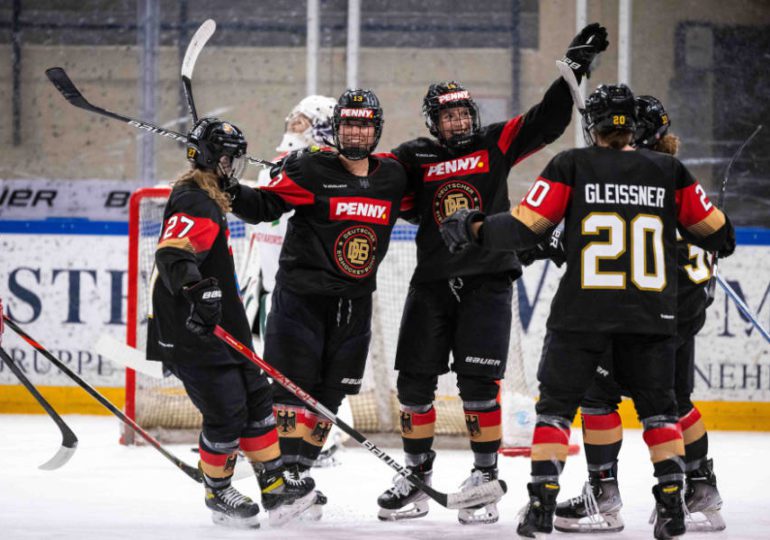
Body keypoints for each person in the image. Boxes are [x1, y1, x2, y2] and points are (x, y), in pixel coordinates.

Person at [439, 84, 735, 539]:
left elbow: (525, 228)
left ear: (591, 123)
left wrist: (474, 227)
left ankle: (541, 506)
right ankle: (674, 506)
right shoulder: (669, 171)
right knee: (660, 412)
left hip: (583, 315)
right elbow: (721, 237)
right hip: (650, 317)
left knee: (556, 411)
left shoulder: (571, 164)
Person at [376, 23, 609, 525]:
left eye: (463, 112)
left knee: (479, 387)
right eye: (448, 115)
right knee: (414, 384)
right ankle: (417, 478)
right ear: (433, 121)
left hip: (488, 282)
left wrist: (572, 68)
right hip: (432, 284)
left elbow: (546, 121)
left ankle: (485, 478)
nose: (458, 121)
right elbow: (371, 183)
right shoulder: (412, 156)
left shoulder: (493, 142)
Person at [225, 89, 411, 518]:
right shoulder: (310, 169)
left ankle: (300, 474)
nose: (356, 131)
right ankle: (281, 479)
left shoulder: (392, 177)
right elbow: (263, 206)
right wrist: (227, 183)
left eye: (364, 124)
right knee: (291, 392)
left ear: (376, 129)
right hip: (301, 302)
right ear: (337, 129)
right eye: (349, 123)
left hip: (354, 307)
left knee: (330, 396)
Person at [553, 95, 731, 534]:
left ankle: (603, 493)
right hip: (681, 313)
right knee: (674, 402)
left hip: (640, 311)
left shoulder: (640, 177)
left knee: (597, 396)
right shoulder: (673, 172)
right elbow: (714, 234)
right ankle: (701, 487)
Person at [146, 118, 316, 528]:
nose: (232, 166)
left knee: (258, 400)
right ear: (210, 158)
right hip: (193, 327)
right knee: (226, 411)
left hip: (222, 321)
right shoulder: (195, 200)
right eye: (226, 158)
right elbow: (172, 254)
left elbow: (256, 205)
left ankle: (274, 486)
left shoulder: (211, 192)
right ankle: (217, 491)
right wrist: (198, 292)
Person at [239, 95, 337, 340]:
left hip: (309, 297)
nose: (293, 125)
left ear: (323, 129)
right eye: (293, 120)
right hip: (271, 292)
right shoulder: (269, 171)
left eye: (302, 122)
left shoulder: (329, 175)